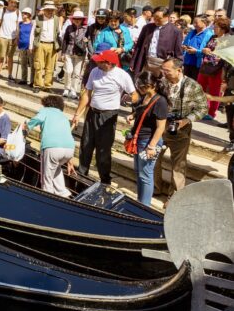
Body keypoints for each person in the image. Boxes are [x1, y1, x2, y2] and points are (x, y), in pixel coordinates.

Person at [71, 50, 137, 186]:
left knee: (104, 149)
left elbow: (135, 95)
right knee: (86, 144)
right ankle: (82, 174)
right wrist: (77, 114)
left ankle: (105, 180)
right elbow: (87, 94)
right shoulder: (95, 71)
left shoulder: (122, 75)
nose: (96, 62)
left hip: (109, 116)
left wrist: (131, 105)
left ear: (108, 63)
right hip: (92, 113)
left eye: (100, 61)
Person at [155, 57, 207, 197]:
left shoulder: (193, 86)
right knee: (153, 159)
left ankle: (175, 198)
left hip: (181, 129)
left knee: (178, 165)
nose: (164, 73)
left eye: (167, 71)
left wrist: (186, 120)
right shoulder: (161, 83)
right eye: (163, 70)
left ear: (179, 70)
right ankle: (155, 188)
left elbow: (203, 109)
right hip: (160, 125)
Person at [128, 71, 169, 206]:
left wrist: (151, 146)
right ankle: (140, 201)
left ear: (152, 85)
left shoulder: (161, 101)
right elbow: (142, 110)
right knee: (139, 172)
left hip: (149, 142)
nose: (140, 89)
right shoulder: (145, 97)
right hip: (138, 139)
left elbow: (160, 127)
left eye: (143, 86)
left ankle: (145, 205)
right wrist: (133, 116)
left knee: (146, 175)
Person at [27, 94, 76, 197]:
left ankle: (47, 197)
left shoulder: (46, 111)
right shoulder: (64, 116)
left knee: (46, 178)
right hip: (69, 150)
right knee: (56, 168)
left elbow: (36, 120)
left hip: (52, 147)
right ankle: (63, 193)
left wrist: (26, 127)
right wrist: (70, 160)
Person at [131, 5, 183, 76]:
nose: (156, 20)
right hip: (146, 61)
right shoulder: (147, 28)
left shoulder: (175, 31)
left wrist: (177, 68)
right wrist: (133, 62)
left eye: (159, 18)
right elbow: (138, 46)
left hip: (163, 64)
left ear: (166, 17)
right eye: (154, 18)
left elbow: (178, 52)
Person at [198, 16, 230, 120]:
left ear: (223, 28)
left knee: (214, 91)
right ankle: (202, 108)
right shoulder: (213, 37)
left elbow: (224, 56)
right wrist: (204, 50)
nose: (214, 29)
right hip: (206, 67)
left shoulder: (227, 40)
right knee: (200, 87)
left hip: (218, 69)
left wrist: (210, 53)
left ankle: (211, 113)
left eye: (216, 27)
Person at [59, 9, 87, 99]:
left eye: (79, 19)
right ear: (73, 19)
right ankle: (66, 88)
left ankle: (73, 90)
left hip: (80, 53)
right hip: (69, 52)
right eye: (75, 18)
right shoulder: (69, 28)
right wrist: (62, 53)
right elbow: (65, 40)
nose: (77, 20)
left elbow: (88, 40)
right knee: (68, 71)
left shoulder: (86, 29)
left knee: (76, 73)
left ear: (82, 20)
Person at [31, 0, 58, 89]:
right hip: (40, 44)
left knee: (50, 67)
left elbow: (59, 33)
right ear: (44, 10)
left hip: (52, 45)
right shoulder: (38, 18)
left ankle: (47, 86)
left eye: (51, 10)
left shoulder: (56, 19)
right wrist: (31, 46)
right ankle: (37, 85)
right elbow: (32, 33)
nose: (50, 11)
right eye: (48, 9)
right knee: (39, 66)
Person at [0, 0, 20, 81]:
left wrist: (17, 36)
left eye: (15, 2)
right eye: (11, 2)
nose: (13, 4)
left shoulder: (17, 12)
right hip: (3, 36)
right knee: (1, 56)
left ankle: (9, 74)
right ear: (8, 2)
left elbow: (18, 25)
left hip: (12, 38)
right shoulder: (3, 10)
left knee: (10, 57)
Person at [182, 14, 213, 80]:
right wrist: (184, 47)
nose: (194, 24)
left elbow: (209, 51)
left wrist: (196, 51)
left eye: (196, 23)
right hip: (187, 61)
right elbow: (185, 43)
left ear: (204, 23)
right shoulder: (192, 32)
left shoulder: (209, 34)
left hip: (198, 64)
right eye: (194, 22)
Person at [16, 7, 33, 84]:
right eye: (23, 13)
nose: (23, 14)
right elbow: (18, 34)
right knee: (23, 63)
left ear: (29, 15)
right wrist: (17, 42)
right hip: (22, 45)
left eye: (25, 13)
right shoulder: (20, 23)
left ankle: (32, 81)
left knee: (32, 64)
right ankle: (24, 79)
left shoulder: (32, 23)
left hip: (30, 46)